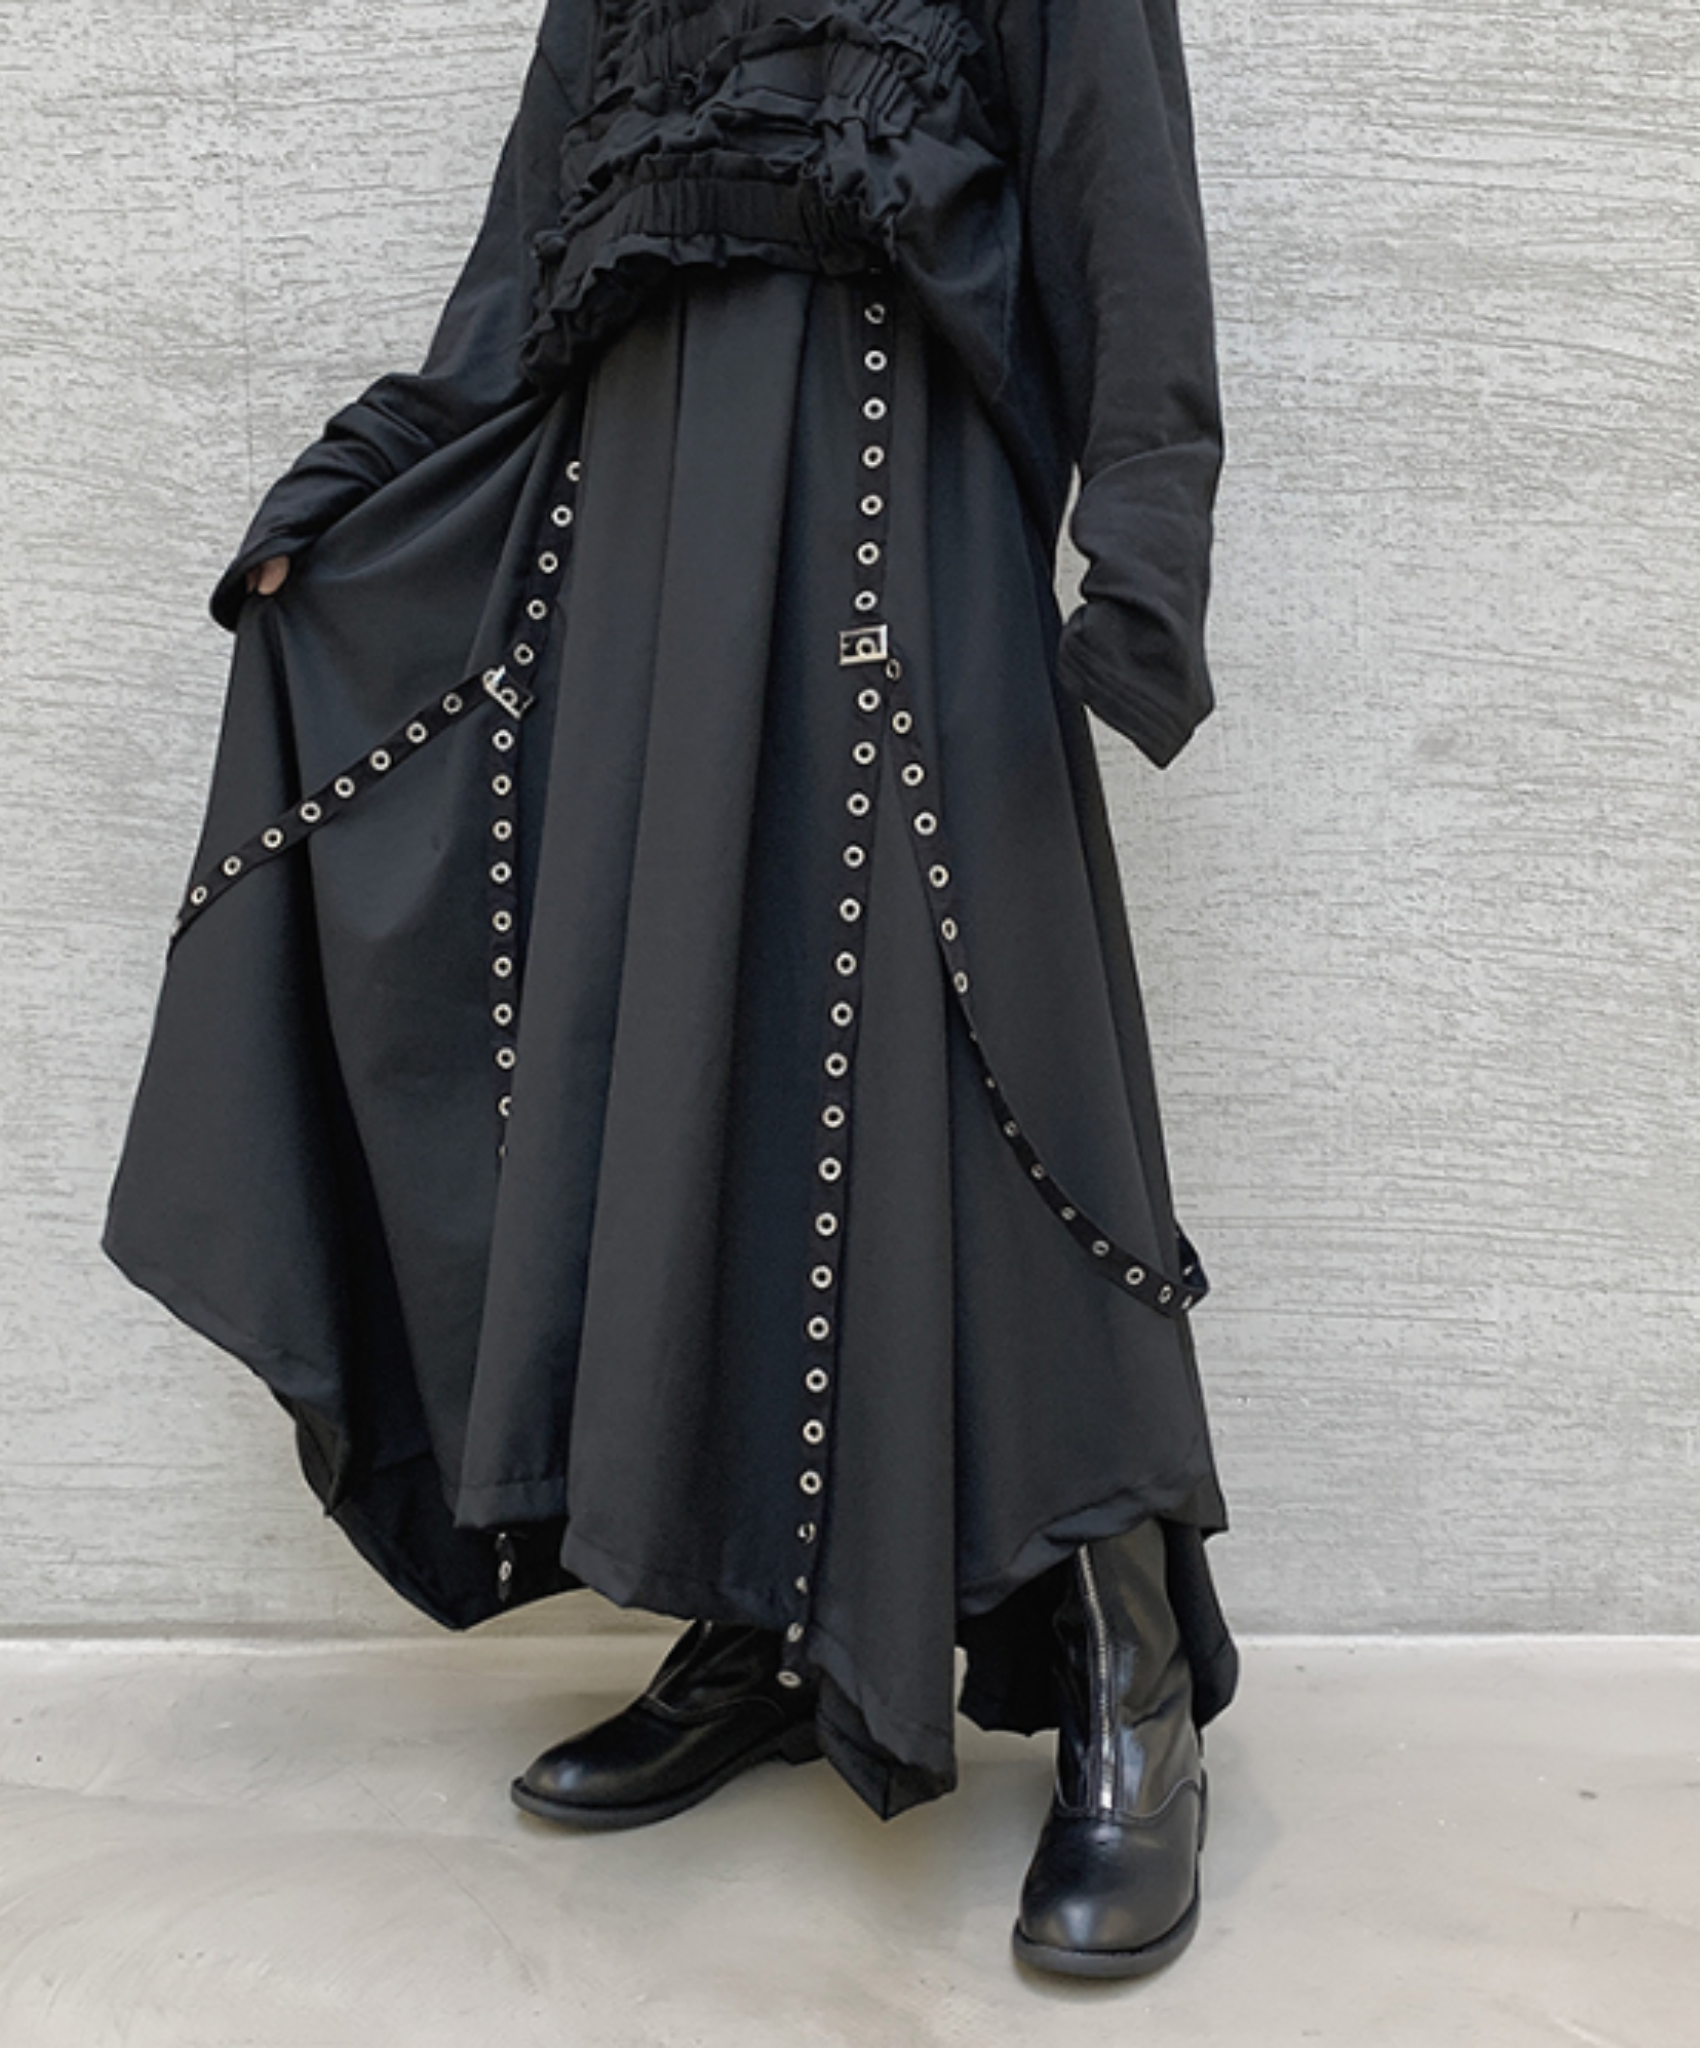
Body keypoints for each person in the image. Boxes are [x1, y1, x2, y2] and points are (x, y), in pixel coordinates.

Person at [106, 0, 1239, 1979]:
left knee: (990, 1067)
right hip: (640, 540)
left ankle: (1127, 1676)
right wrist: (363, 489)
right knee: (700, 1062)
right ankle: (762, 1628)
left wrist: (1138, 550)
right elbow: (524, 261)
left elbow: (1119, 200)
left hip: (896, 505)